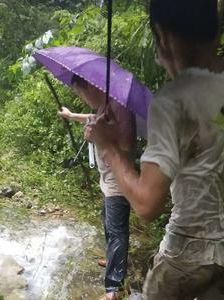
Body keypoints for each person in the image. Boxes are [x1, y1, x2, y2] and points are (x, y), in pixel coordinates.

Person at [85, 0, 224, 299]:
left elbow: (147, 205)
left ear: (164, 36)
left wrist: (107, 146)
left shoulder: (172, 101)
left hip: (187, 257)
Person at [59, 74, 136, 300]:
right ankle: (113, 259)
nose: (80, 97)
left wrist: (102, 136)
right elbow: (92, 118)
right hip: (107, 180)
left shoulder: (118, 106)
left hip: (118, 182)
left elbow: (128, 145)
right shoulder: (104, 106)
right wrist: (72, 115)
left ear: (90, 86)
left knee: (117, 233)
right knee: (109, 226)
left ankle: (115, 289)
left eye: (80, 92)